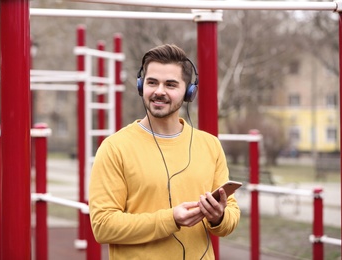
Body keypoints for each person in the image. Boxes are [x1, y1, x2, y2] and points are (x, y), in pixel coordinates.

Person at [88, 44, 240, 260]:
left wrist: (219, 217)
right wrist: (171, 220)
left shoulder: (210, 145)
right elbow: (103, 226)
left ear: (189, 92)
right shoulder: (114, 148)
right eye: (152, 82)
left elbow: (230, 217)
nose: (159, 91)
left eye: (170, 84)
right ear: (141, 86)